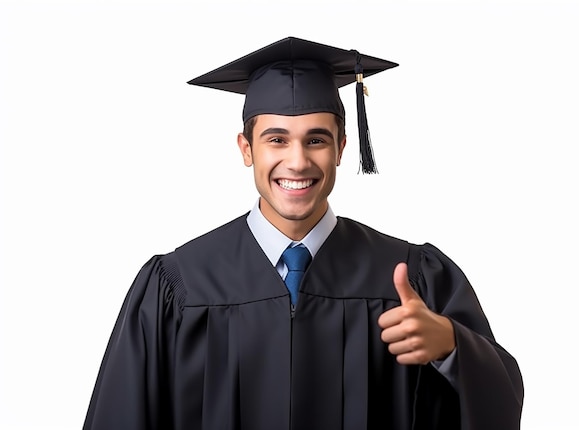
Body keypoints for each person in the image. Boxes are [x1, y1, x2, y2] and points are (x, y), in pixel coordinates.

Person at [83, 37, 523, 430]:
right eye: (276, 139)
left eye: (316, 140)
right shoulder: (178, 286)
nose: (296, 162)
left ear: (341, 149)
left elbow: (503, 401)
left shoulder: (413, 276)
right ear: (245, 148)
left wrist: (452, 347)